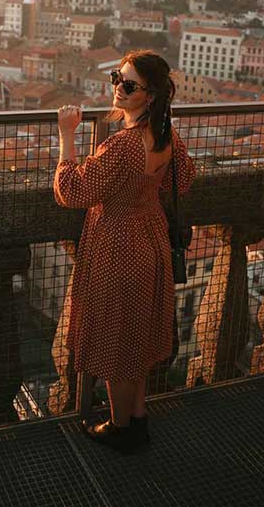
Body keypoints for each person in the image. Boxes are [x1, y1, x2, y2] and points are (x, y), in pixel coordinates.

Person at [54, 50, 195, 453]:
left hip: (117, 244)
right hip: (150, 240)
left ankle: (120, 428)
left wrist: (67, 136)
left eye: (129, 85)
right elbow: (184, 178)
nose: (118, 87)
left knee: (117, 342)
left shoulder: (123, 145)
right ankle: (137, 419)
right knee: (134, 337)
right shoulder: (165, 135)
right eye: (117, 78)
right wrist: (142, 192)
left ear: (149, 96)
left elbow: (73, 192)